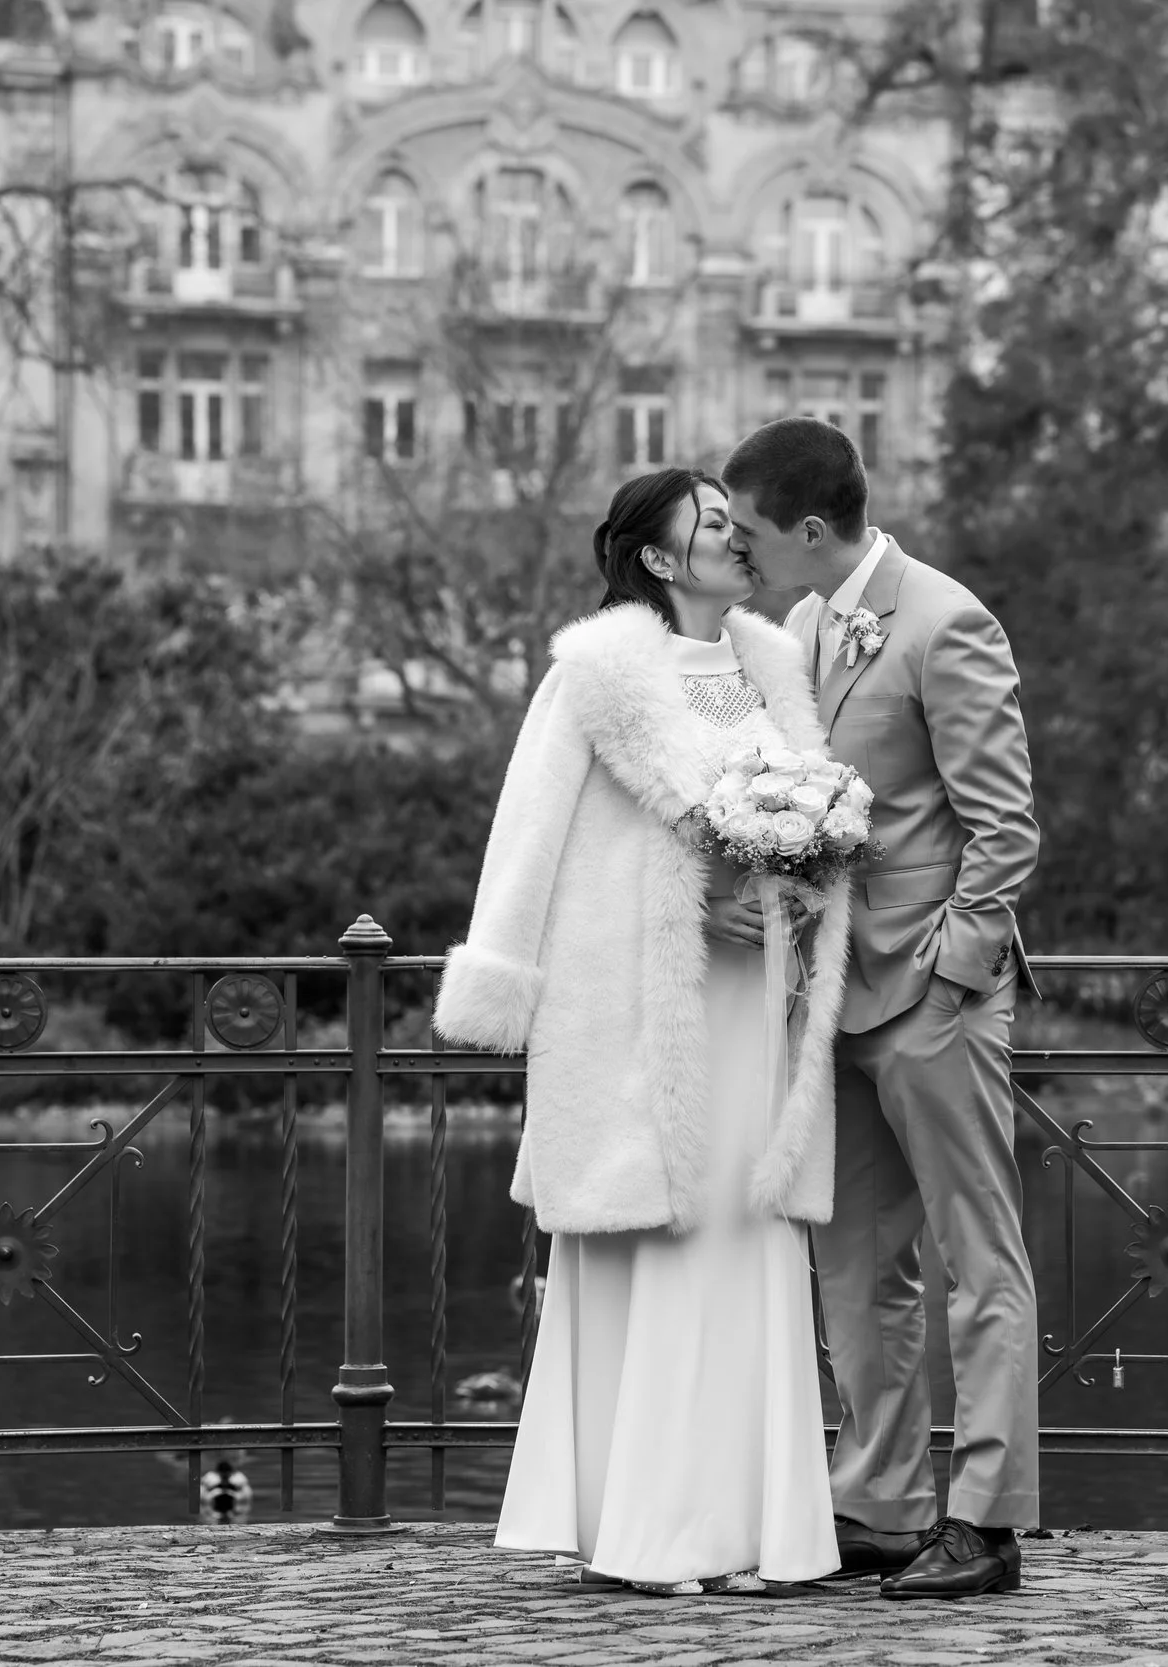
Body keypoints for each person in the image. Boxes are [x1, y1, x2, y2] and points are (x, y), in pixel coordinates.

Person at [434, 467, 856, 1594]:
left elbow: (802, 818)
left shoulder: (775, 666)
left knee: (745, 1235)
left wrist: (796, 887)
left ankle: (754, 1529)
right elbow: (525, 834)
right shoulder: (598, 676)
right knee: (660, 1239)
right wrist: (502, 976)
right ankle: (650, 1531)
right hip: (637, 1004)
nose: (735, 533)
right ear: (663, 559)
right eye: (711, 522)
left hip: (755, 995)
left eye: (732, 518)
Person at [722, 418, 1043, 1601]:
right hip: (831, 998)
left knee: (979, 1259)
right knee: (858, 1265)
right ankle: (882, 1503)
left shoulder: (947, 619)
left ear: (810, 528)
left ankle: (989, 1521)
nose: (741, 550)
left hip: (932, 994)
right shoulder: (802, 623)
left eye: (750, 530)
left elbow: (1004, 826)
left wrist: (956, 974)